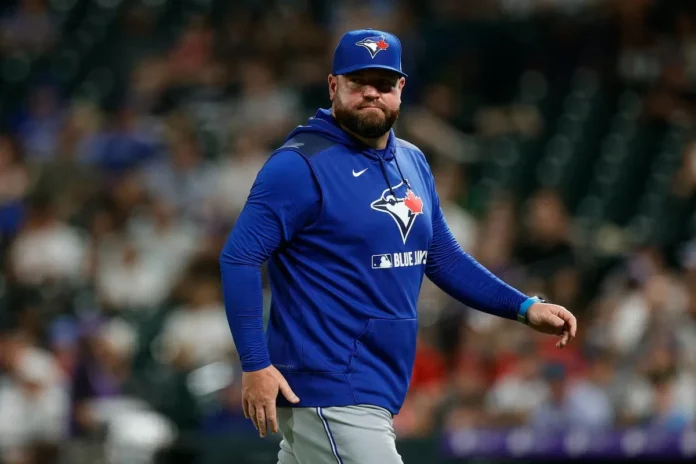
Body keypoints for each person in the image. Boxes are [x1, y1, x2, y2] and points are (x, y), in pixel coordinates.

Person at [219, 28, 577, 464]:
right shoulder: (298, 166)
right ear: (333, 85)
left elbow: (442, 257)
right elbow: (239, 258)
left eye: (384, 83)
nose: (372, 92)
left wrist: (523, 307)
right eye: (358, 82)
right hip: (330, 386)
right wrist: (255, 363)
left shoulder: (412, 160)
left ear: (401, 89)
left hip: (373, 385)